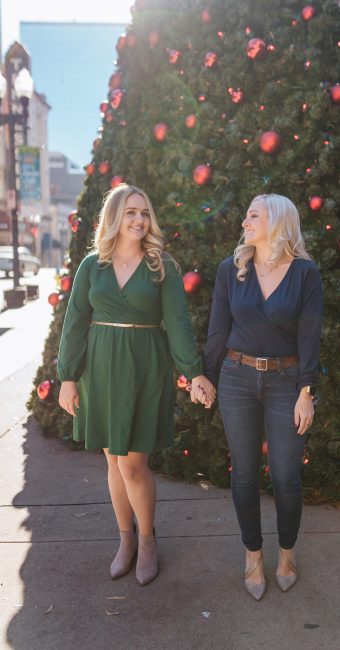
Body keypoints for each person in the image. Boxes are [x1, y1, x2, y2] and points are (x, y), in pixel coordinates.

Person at [58, 184, 215, 585]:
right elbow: (75, 322)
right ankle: (125, 539)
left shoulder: (163, 266)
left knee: (132, 463)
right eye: (131, 212)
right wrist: (67, 377)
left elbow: (177, 323)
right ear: (114, 216)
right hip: (100, 369)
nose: (139, 220)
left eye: (144, 213)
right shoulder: (92, 265)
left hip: (145, 368)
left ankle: (147, 540)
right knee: (113, 460)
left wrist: (193, 371)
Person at [199, 193, 323, 601]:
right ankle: (253, 554)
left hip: (287, 381)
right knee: (244, 473)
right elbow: (218, 330)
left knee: (286, 476)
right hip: (236, 378)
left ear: (278, 221)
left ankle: (287, 553)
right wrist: (205, 375)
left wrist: (306, 391)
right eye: (246, 215)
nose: (244, 222)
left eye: (253, 215)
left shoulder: (305, 274)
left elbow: (309, 338)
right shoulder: (230, 270)